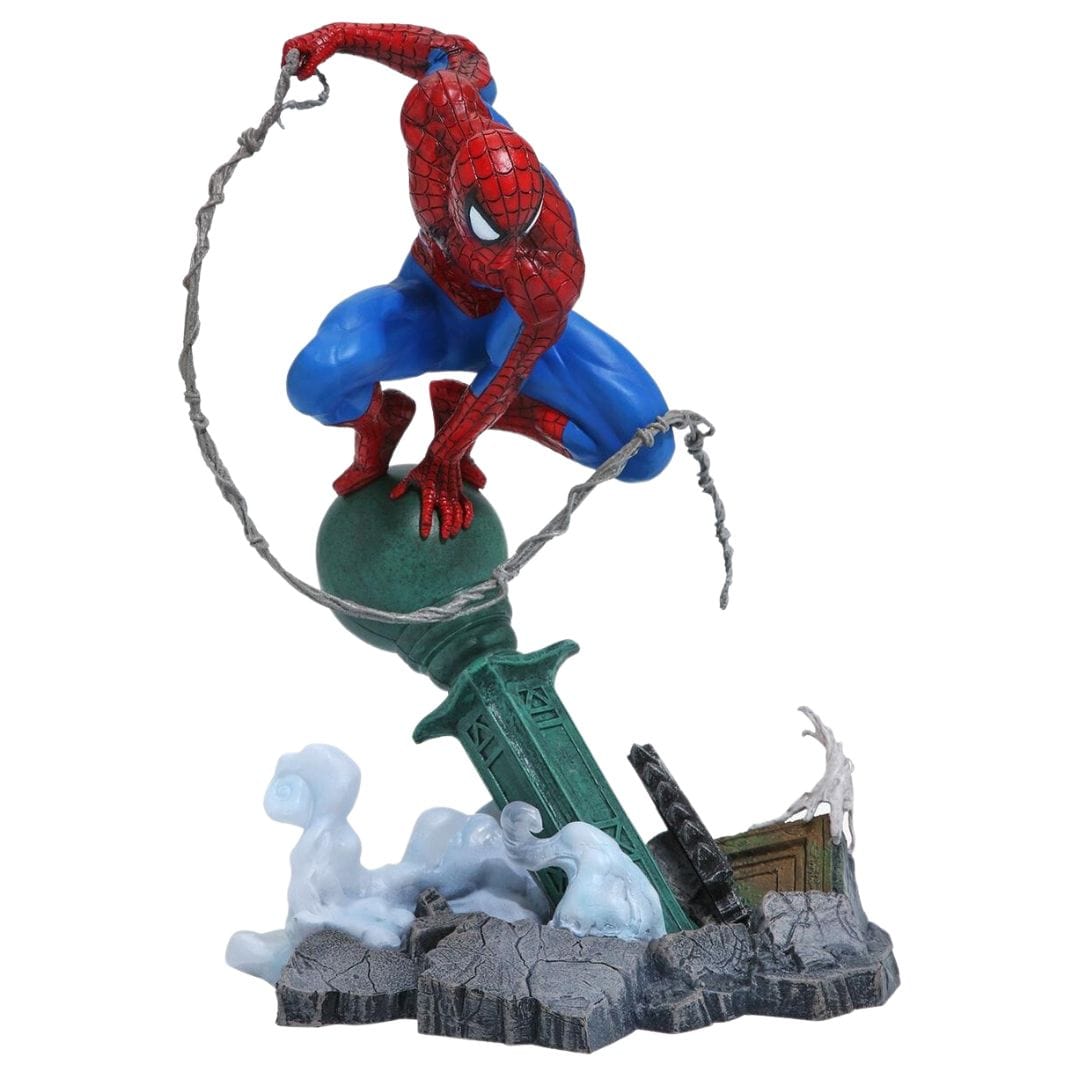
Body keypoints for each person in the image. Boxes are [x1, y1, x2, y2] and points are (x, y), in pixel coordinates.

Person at [284, 23, 674, 539]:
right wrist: (338, 36)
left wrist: (445, 453)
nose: (501, 255)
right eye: (490, 233)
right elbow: (448, 50)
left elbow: (506, 374)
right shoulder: (443, 106)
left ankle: (459, 411)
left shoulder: (552, 263)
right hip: (428, 302)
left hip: (511, 330)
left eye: (518, 235)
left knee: (644, 451)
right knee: (314, 381)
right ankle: (379, 422)